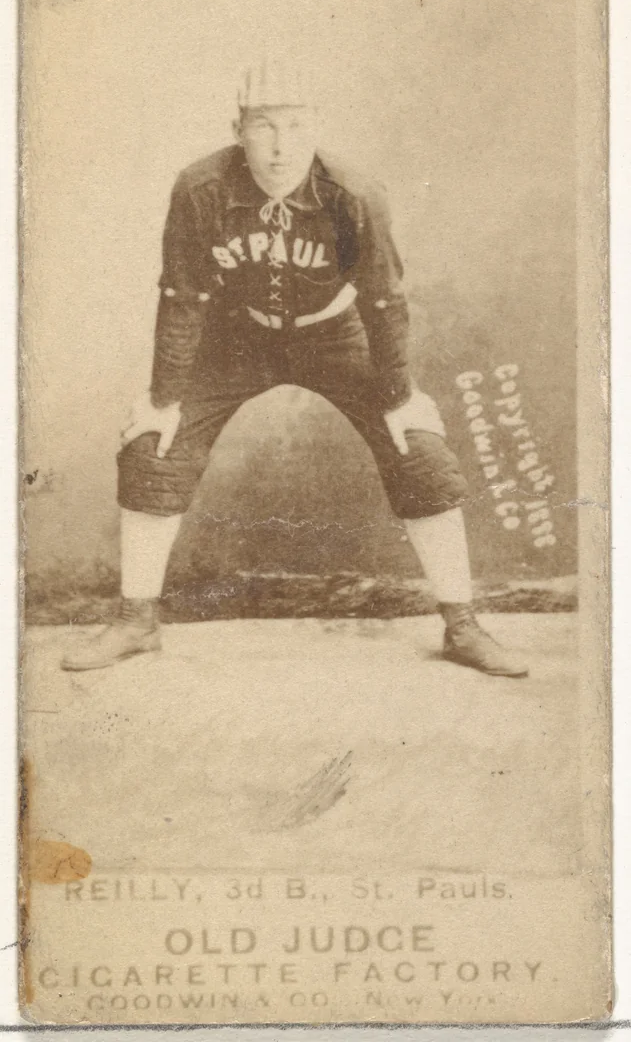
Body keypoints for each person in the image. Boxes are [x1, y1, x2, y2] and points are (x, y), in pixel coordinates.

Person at [61, 61, 528, 677]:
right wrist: (163, 394)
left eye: (296, 125)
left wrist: (400, 394)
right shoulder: (201, 187)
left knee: (418, 447)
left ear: (317, 128)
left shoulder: (352, 194)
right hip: (238, 333)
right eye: (263, 126)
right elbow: (183, 294)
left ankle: (463, 626)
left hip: (335, 334)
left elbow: (384, 300)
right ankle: (135, 623)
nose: (280, 146)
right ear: (238, 129)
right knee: (152, 445)